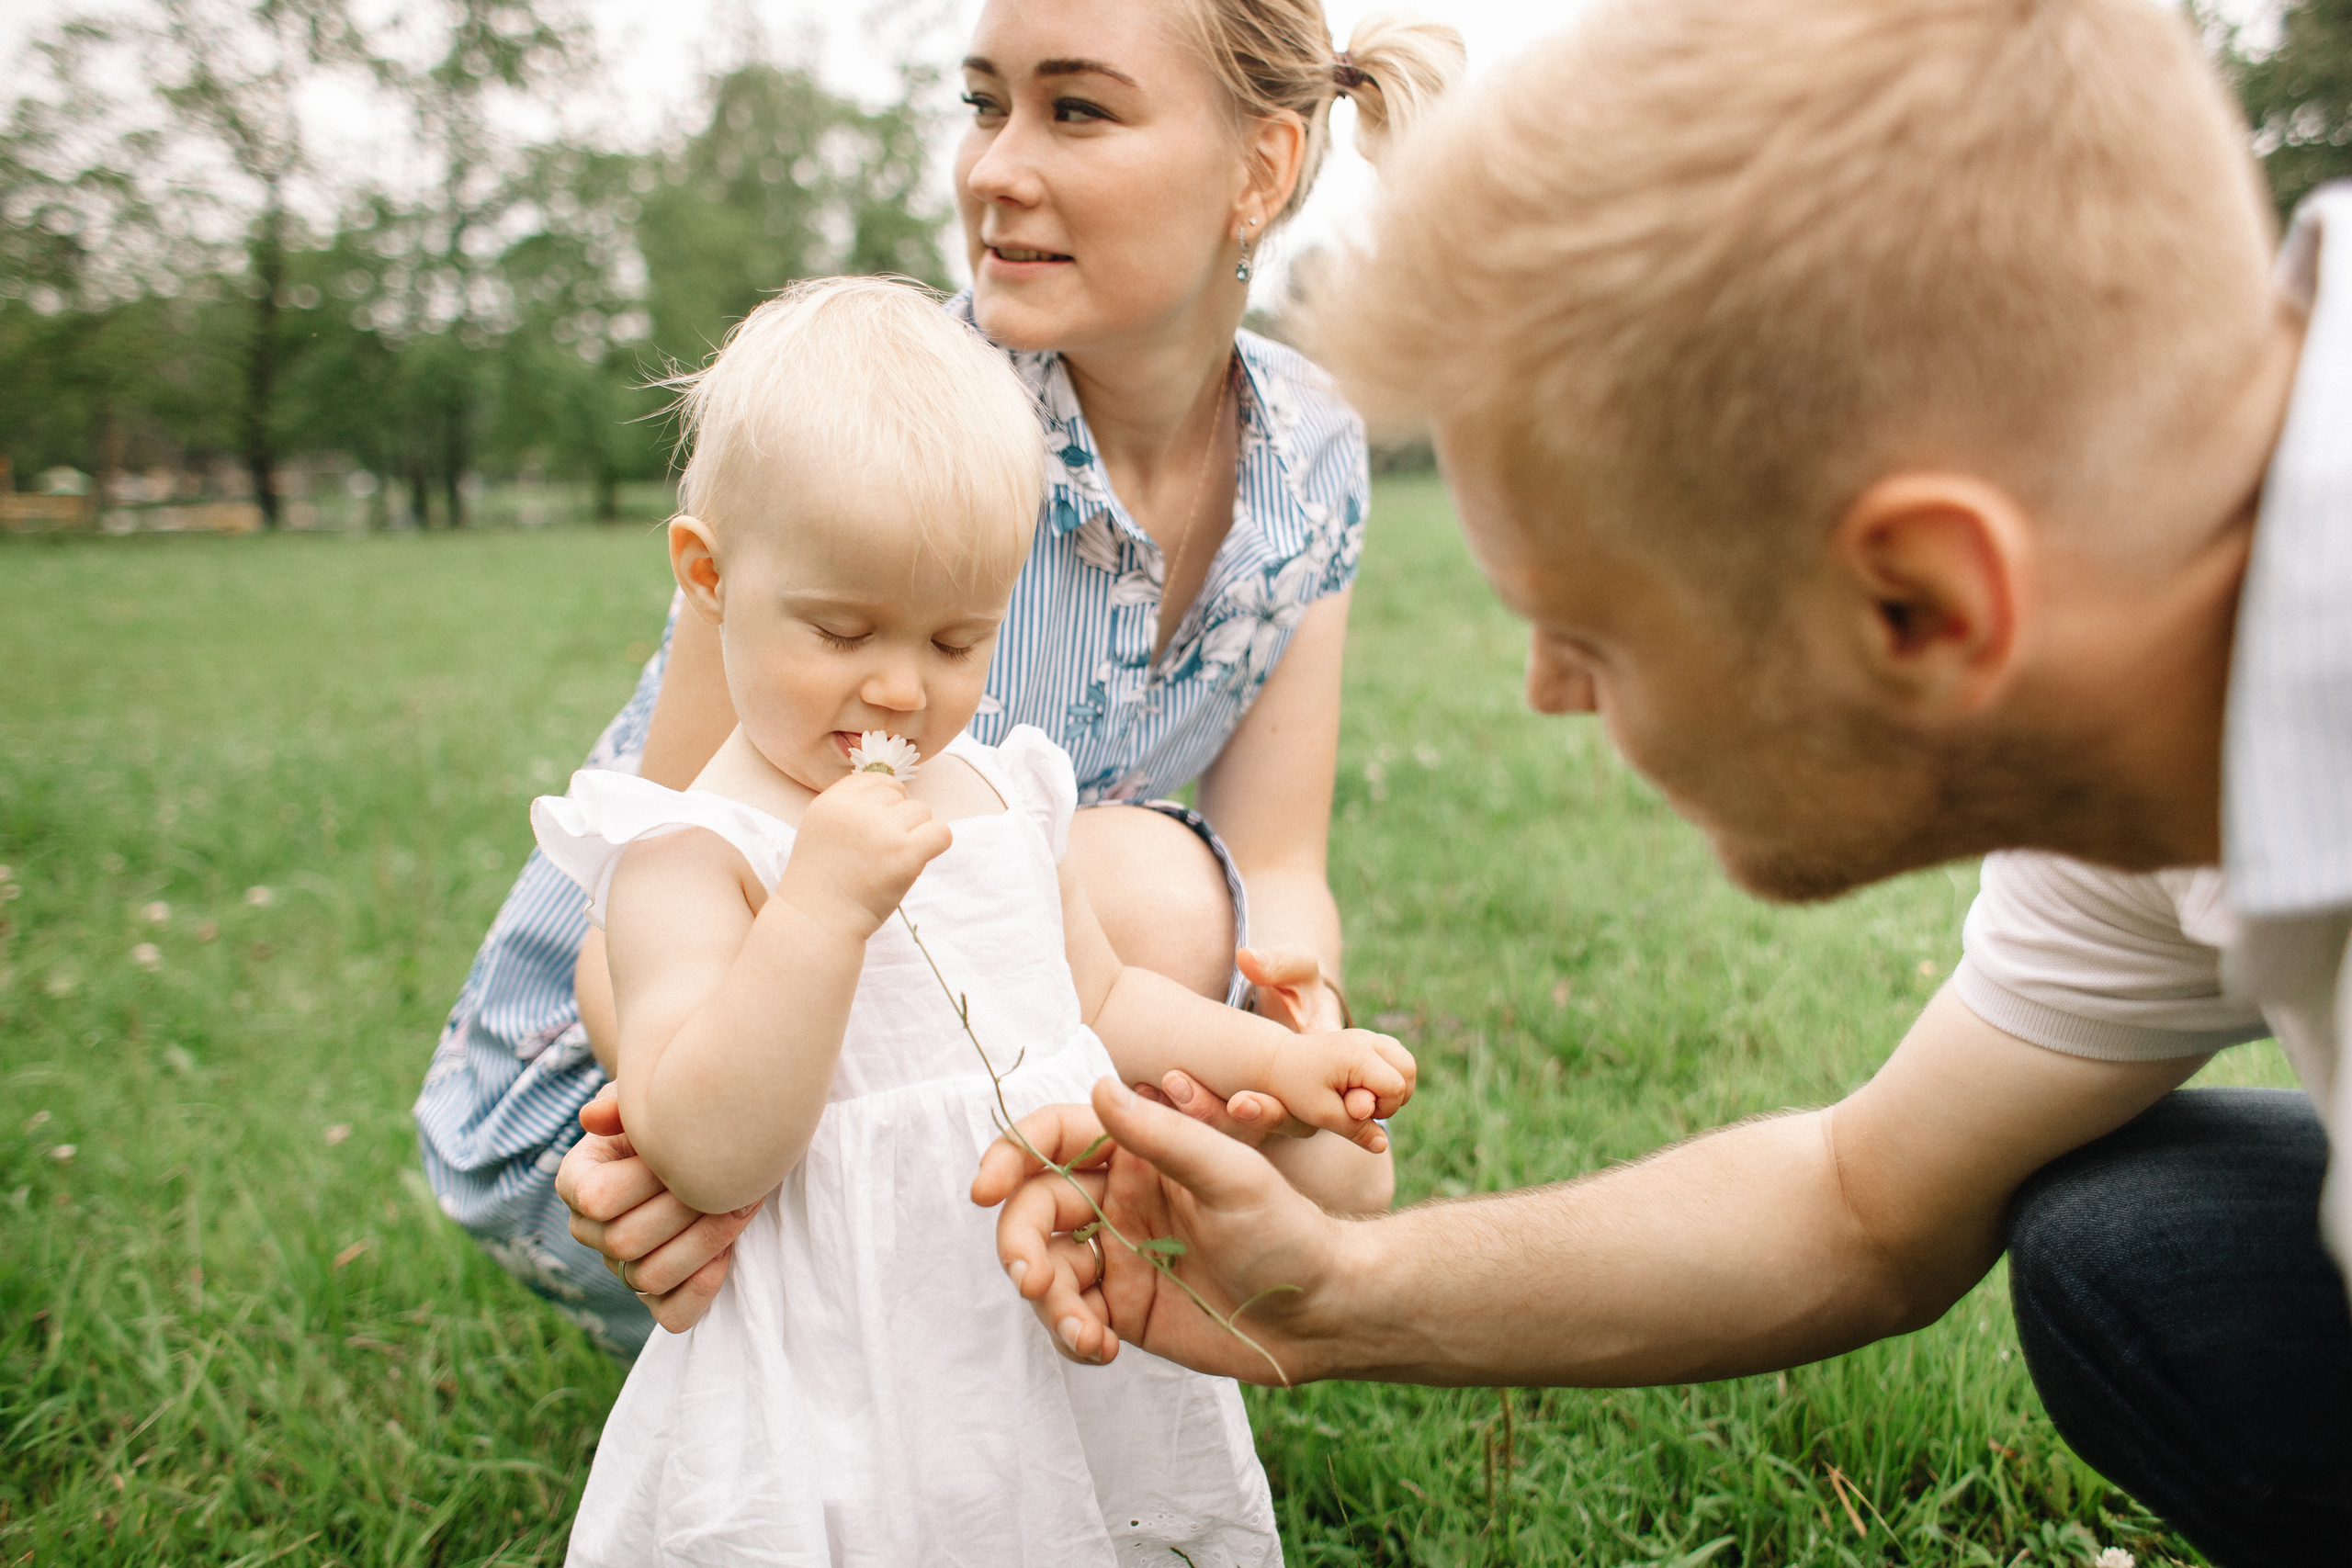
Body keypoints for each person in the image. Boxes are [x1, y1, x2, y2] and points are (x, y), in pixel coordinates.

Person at [969, 2, 2352, 1563]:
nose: (1550, 696)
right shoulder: (2151, 635)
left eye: (1587, 631)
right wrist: (1329, 1289)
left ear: (1923, 606)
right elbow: (1861, 1203)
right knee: (2139, 1251)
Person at [416, 0, 1464, 1354]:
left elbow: (1279, 860)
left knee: (1326, 1152)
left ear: (1259, 171)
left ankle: (983, 1349)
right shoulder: (885, 430)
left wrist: (1288, 1046)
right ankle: (888, 1349)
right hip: (634, 1070)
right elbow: (655, 880)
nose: (993, 168)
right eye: (985, 104)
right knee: (1125, 876)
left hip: (958, 997)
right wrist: (667, 1136)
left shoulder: (1312, 446)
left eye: (1073, 109)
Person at [535, 276, 1413, 1565]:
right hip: (836, 1354)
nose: (898, 689)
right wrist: (821, 909)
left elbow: (1105, 1005)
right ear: (709, 575)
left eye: (958, 640)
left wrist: (1276, 1062)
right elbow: (708, 1148)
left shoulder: (1005, 790)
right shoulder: (688, 854)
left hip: (1036, 1307)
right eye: (840, 630)